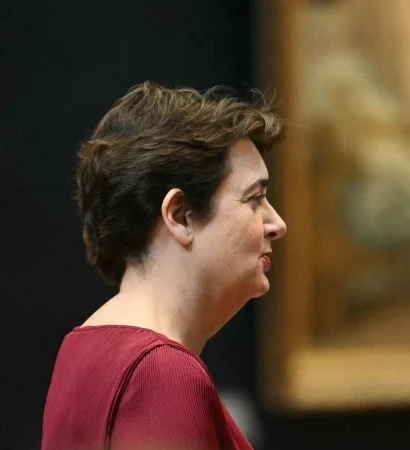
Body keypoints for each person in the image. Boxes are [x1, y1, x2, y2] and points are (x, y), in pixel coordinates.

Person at [41, 81, 287, 449]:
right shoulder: (160, 371)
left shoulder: (82, 348)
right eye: (255, 199)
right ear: (180, 215)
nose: (278, 224)